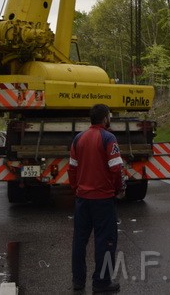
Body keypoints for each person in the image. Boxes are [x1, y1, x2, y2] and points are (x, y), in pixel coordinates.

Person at [69, 103, 125, 293]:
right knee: (105, 240)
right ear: (105, 118)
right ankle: (101, 282)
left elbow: (72, 168)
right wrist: (118, 189)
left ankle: (78, 281)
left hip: (82, 199)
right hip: (103, 199)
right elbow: (116, 169)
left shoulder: (78, 138)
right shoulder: (109, 138)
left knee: (79, 240)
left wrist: (76, 188)